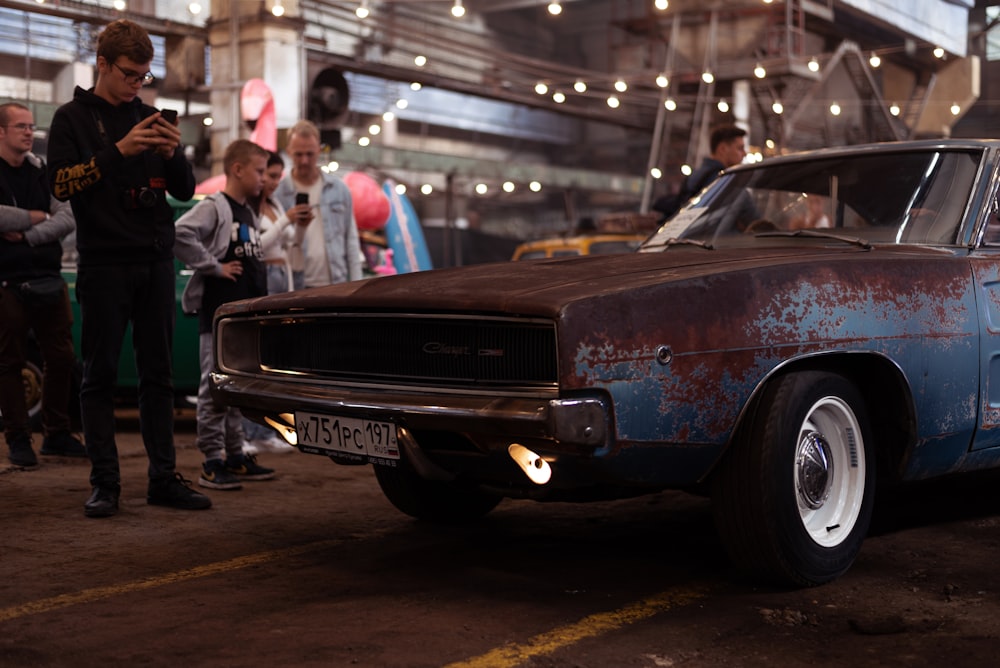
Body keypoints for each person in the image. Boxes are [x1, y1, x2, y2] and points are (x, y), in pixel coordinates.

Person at [47, 19, 210, 517]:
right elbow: (61, 186)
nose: (138, 84)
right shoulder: (71, 119)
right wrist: (118, 151)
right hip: (104, 262)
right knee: (98, 377)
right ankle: (105, 483)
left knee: (158, 376)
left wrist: (172, 150)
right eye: (130, 74)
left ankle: (163, 477)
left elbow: (183, 190)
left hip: (155, 258)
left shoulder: (150, 116)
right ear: (102, 64)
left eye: (144, 76)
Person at [174, 139, 278, 490]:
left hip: (245, 315)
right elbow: (181, 233)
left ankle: (235, 457)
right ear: (237, 169)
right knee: (214, 387)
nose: (263, 179)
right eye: (259, 171)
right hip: (220, 315)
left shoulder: (248, 210)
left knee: (236, 389)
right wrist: (214, 267)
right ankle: (211, 461)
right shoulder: (216, 206)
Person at [0, 102, 87, 468]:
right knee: (9, 361)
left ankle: (56, 433)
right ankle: (19, 438)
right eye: (20, 126)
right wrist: (37, 216)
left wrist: (27, 236)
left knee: (62, 356)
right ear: (1, 132)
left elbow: (68, 216)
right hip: (6, 281)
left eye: (31, 126)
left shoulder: (43, 172)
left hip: (47, 277)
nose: (28, 132)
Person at [242, 150, 296, 455]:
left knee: (274, 360)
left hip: (280, 275)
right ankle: (251, 432)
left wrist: (295, 222)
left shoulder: (273, 204)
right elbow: (256, 245)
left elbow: (288, 242)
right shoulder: (248, 208)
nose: (272, 181)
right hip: (264, 275)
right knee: (257, 357)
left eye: (276, 175)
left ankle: (267, 429)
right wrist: (286, 220)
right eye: (268, 174)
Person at [273, 120, 363, 289]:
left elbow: (350, 238)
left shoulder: (339, 189)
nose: (305, 160)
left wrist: (357, 283)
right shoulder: (278, 193)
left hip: (336, 282)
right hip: (295, 284)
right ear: (289, 152)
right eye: (298, 155)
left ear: (319, 151)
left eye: (310, 154)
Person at [653, 124, 748, 220]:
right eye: (740, 148)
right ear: (722, 149)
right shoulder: (723, 180)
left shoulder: (695, 175)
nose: (744, 154)